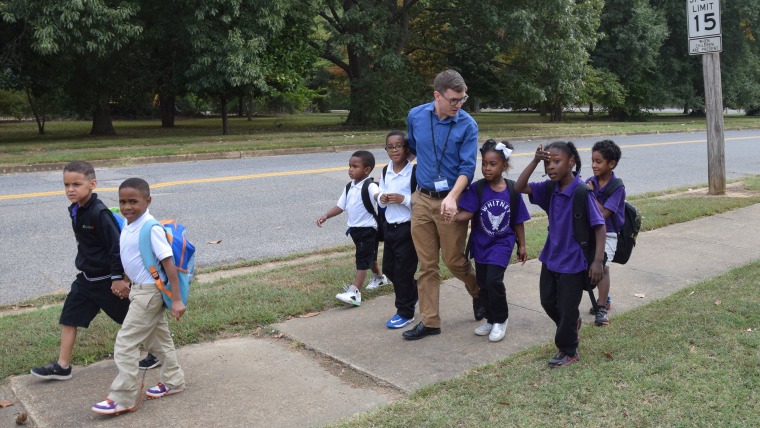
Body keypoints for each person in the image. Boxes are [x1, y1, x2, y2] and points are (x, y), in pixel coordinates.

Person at [92, 178, 186, 415]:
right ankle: (174, 382)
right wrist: (124, 279)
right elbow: (131, 257)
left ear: (148, 201)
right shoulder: (128, 224)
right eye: (123, 201)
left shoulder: (151, 228)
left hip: (149, 294)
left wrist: (176, 299)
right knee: (159, 340)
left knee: (125, 343)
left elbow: (169, 265)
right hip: (139, 290)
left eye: (133, 201)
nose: (127, 207)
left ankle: (124, 397)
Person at [30, 161, 131, 381]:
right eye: (66, 185)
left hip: (106, 280)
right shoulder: (78, 209)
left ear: (92, 184)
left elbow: (117, 247)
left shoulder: (99, 212)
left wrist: (118, 278)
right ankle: (62, 366)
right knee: (69, 316)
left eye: (76, 184)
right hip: (86, 279)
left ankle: (157, 351)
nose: (70, 189)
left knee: (133, 319)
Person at [402, 69, 483, 341]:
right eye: (454, 100)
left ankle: (477, 291)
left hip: (452, 201)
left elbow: (467, 168)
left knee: (454, 261)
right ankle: (431, 321)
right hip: (422, 199)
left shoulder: (467, 125)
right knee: (426, 265)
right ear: (437, 96)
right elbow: (413, 148)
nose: (459, 105)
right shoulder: (415, 116)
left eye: (462, 99)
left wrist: (452, 197)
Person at [514, 141, 606, 368]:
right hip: (551, 257)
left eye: (556, 162)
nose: (551, 167)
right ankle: (571, 324)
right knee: (547, 301)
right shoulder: (549, 189)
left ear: (571, 162)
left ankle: (568, 349)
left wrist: (597, 262)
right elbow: (519, 187)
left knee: (567, 307)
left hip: (574, 263)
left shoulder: (582, 192)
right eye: (548, 163)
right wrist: (536, 160)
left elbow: (600, 227)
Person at [453, 140, 530, 342]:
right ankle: (490, 318)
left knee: (494, 281)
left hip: (502, 244)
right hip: (481, 244)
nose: (487, 168)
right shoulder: (477, 188)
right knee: (483, 284)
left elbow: (518, 221)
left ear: (504, 166)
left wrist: (522, 245)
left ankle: (501, 320)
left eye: (492, 164)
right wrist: (452, 216)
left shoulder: (513, 190)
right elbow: (468, 213)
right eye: (484, 163)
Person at [316, 150, 387, 307]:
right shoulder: (349, 187)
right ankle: (380, 278)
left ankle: (354, 292)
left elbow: (377, 194)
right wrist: (326, 215)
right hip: (355, 230)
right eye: (349, 166)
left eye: (355, 166)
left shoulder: (369, 186)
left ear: (367, 170)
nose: (350, 169)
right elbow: (341, 206)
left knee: (362, 260)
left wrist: (380, 197)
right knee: (371, 256)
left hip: (368, 229)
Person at [377, 131, 418, 329]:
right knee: (389, 270)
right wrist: (382, 198)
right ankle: (413, 293)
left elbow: (421, 202)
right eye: (390, 147)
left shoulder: (414, 172)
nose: (394, 150)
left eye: (398, 146)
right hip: (390, 228)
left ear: (406, 148)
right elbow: (381, 195)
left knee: (403, 272)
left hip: (408, 228)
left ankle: (405, 312)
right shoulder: (386, 171)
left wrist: (404, 200)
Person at [586, 139, 625, 326]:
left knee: (603, 266)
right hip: (590, 233)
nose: (593, 165)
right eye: (592, 160)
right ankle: (604, 297)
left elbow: (603, 214)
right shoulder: (590, 182)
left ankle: (601, 308)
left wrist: (591, 195)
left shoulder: (617, 187)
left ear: (611, 164)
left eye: (598, 161)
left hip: (608, 233)